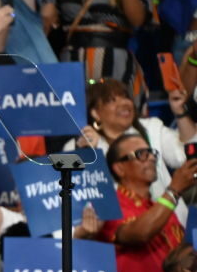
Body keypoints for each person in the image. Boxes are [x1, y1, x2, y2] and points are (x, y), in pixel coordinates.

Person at [99, 133, 197, 272]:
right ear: (119, 168)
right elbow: (139, 233)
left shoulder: (161, 209)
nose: (151, 158)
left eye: (152, 153)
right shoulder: (110, 206)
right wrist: (175, 189)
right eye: (141, 155)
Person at [71, 79, 194, 220]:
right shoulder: (80, 146)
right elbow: (89, 198)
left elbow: (184, 157)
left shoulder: (150, 129)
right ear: (95, 113)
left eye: (125, 97)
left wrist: (181, 113)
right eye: (112, 100)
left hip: (172, 226)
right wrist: (95, 152)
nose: (124, 103)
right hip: (121, 228)